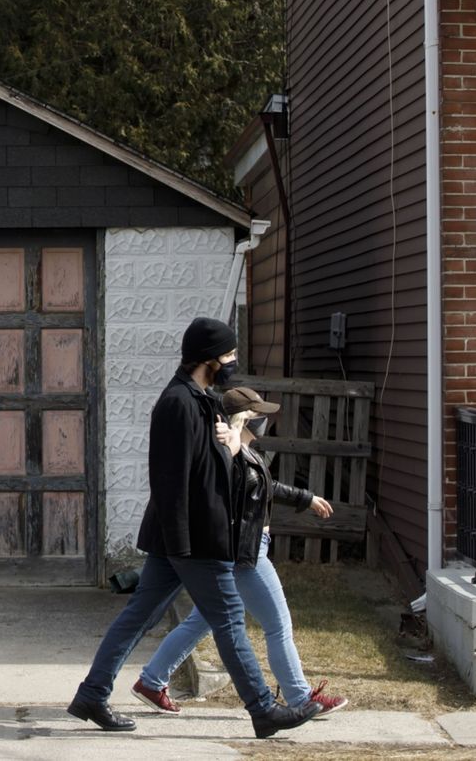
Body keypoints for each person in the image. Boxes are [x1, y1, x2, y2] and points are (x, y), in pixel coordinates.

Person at [66, 317, 322, 739]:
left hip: (182, 540)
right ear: (209, 359)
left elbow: (211, 470)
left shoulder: (202, 400)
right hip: (193, 539)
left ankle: (93, 693)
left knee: (138, 618)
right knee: (229, 619)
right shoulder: (178, 404)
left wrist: (230, 445)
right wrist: (184, 544)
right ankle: (263, 709)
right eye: (229, 355)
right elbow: (170, 481)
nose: (234, 361)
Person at [130, 385, 349, 719]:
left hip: (234, 551)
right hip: (246, 553)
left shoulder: (241, 451)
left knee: (200, 622)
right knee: (278, 625)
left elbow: (263, 486)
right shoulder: (229, 453)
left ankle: (151, 681)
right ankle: (301, 698)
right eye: (258, 414)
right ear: (244, 419)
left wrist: (305, 498)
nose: (266, 420)